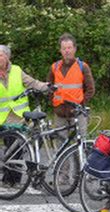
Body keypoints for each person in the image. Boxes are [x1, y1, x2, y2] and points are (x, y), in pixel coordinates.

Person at [0, 44, 51, 192]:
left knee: (19, 145)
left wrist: (45, 86)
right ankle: (10, 178)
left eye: (1, 55)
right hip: (3, 116)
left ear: (7, 57)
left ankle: (12, 179)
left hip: (20, 116)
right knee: (12, 146)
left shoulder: (16, 70)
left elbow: (32, 82)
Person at [48, 33, 95, 138]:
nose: (67, 51)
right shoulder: (54, 67)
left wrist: (82, 103)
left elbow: (90, 89)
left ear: (74, 49)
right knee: (61, 146)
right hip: (60, 114)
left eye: (69, 48)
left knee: (80, 144)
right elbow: (49, 88)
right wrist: (53, 103)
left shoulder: (83, 66)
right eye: (64, 48)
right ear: (60, 50)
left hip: (77, 113)